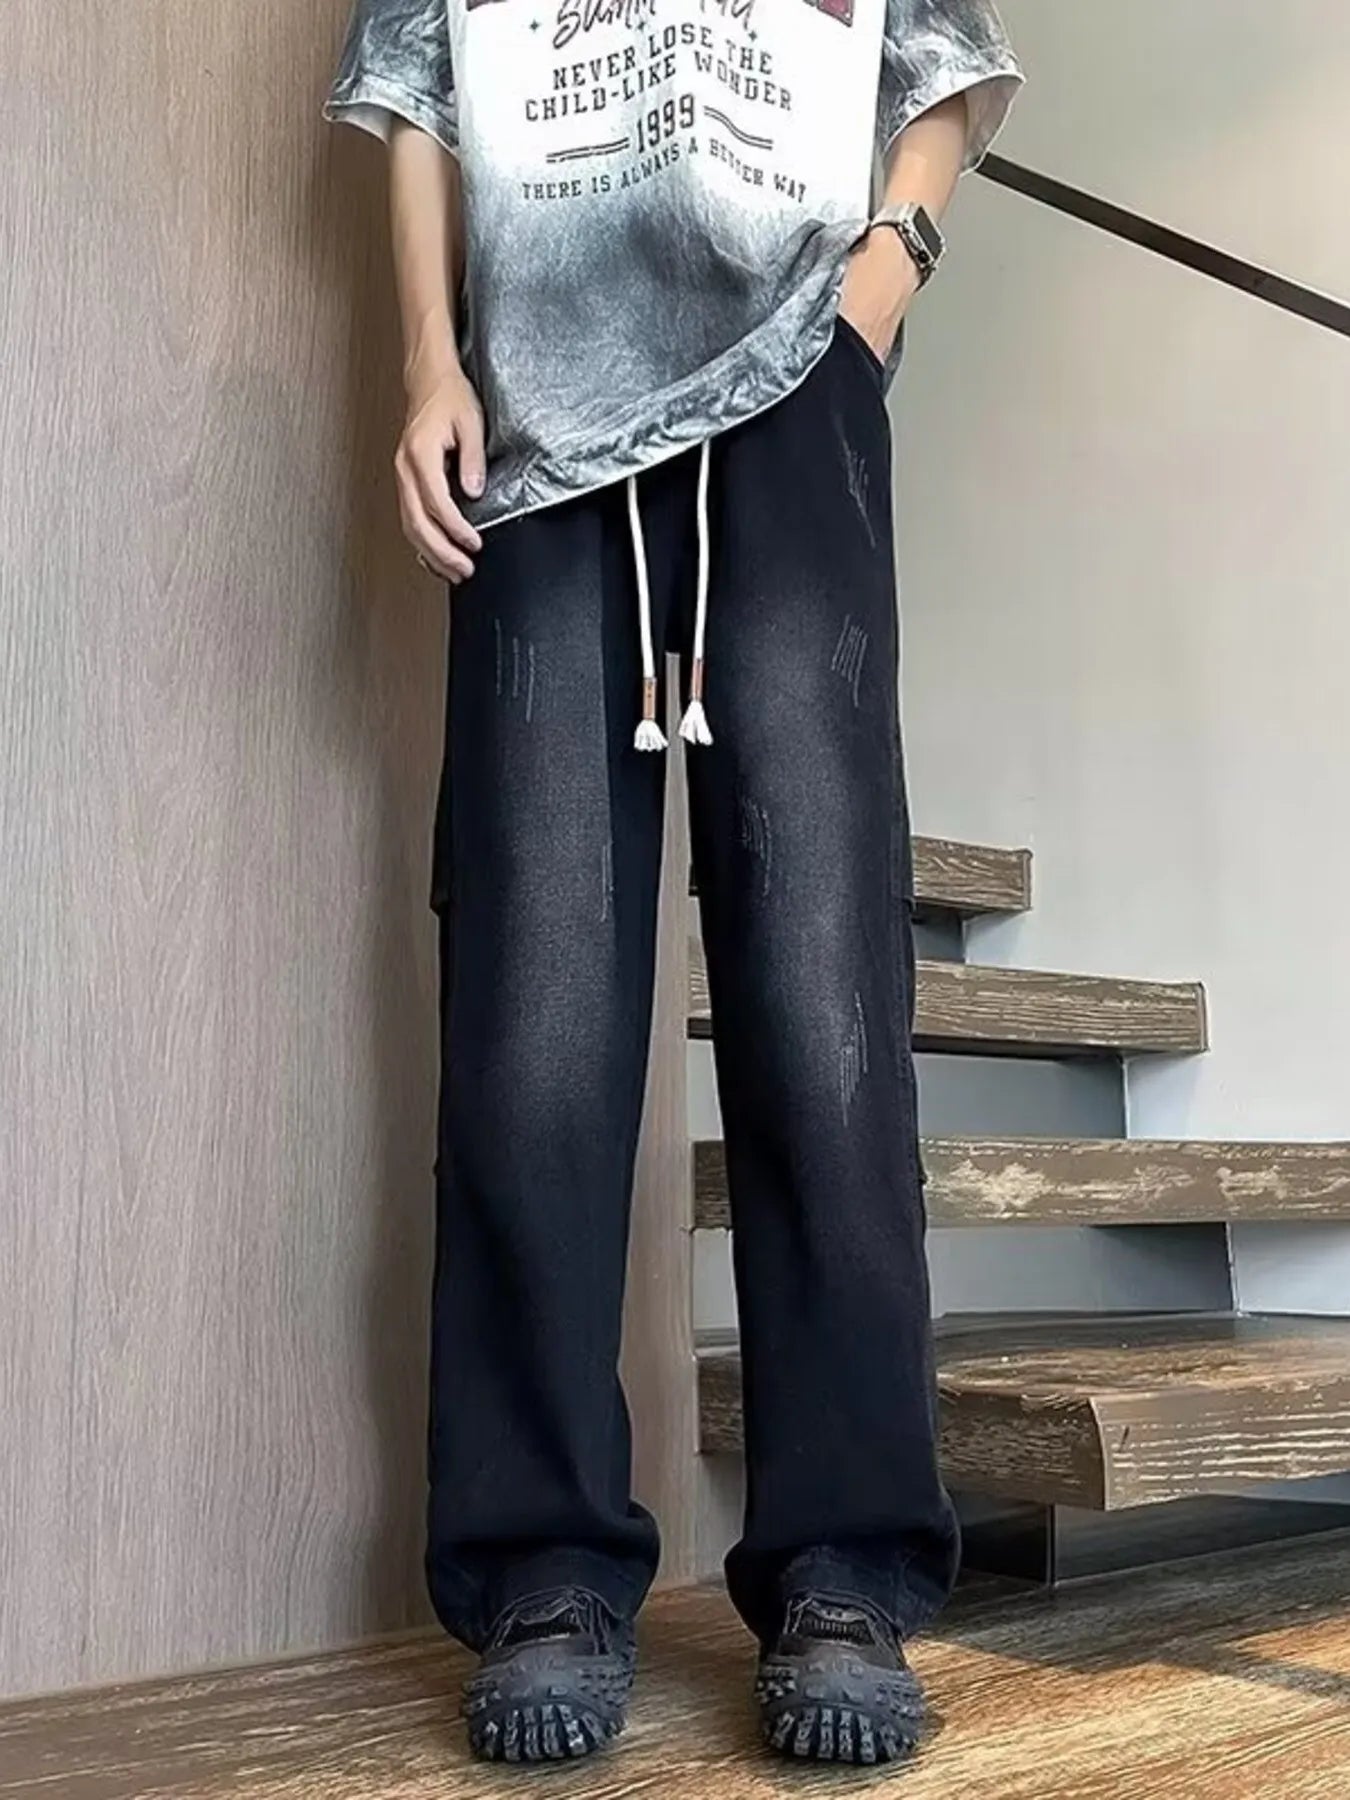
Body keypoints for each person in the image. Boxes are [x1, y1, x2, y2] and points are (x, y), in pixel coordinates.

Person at [324, 0, 1021, 1767]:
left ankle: (844, 1568)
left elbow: (945, 71)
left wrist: (880, 281)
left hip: (793, 390)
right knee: (534, 1021)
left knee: (823, 1005)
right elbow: (419, 85)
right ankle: (543, 1569)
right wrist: (428, 363)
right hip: (537, 429)